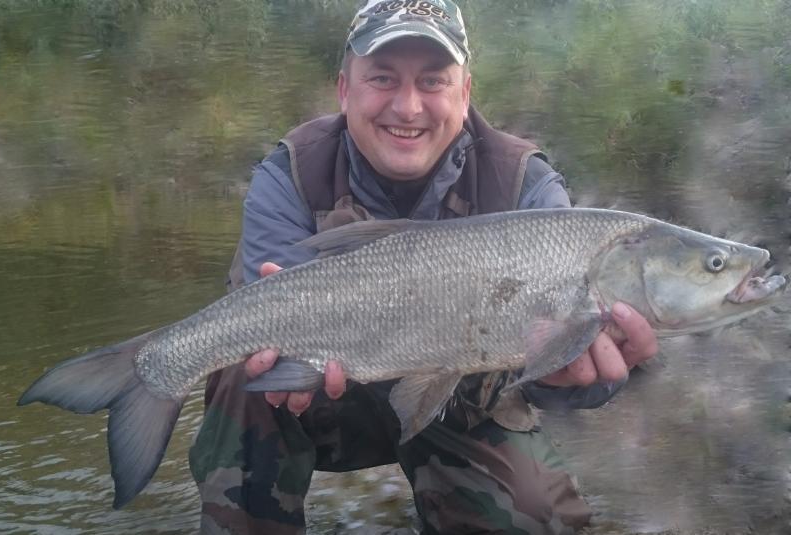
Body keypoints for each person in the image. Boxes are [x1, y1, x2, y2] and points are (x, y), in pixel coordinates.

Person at [189, 1, 658, 533]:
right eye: (382, 78)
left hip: (463, 403)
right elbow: (265, 334)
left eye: (433, 81)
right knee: (242, 361)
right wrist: (279, 340)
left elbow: (550, 377)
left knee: (537, 519)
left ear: (465, 93)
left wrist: (576, 379)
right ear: (344, 90)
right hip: (321, 398)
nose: (408, 107)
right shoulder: (291, 173)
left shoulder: (526, 187)